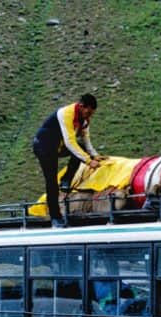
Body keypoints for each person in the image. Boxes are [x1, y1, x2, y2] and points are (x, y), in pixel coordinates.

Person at [32, 93, 106, 227]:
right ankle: (55, 217)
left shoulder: (84, 119)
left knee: (81, 148)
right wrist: (89, 161)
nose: (89, 116)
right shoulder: (66, 114)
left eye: (91, 113)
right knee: (51, 181)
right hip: (44, 146)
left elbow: (85, 139)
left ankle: (66, 180)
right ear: (82, 106)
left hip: (58, 146)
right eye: (88, 112)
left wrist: (95, 155)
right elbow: (70, 142)